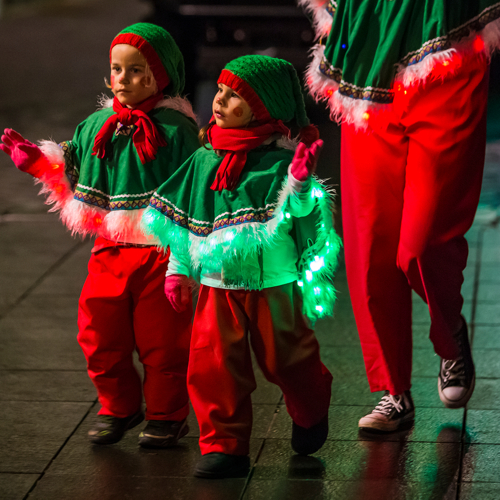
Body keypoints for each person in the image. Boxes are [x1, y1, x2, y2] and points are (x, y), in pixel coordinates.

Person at [300, 0, 500, 431]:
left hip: (449, 49)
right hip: (369, 61)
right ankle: (393, 391)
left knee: (423, 243)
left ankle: (450, 335)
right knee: (371, 243)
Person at [0, 23, 200, 447]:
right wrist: (39, 162)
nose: (122, 79)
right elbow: (73, 167)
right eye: (116, 69)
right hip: (110, 249)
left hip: (161, 253)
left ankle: (167, 416)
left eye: (134, 70)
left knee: (162, 343)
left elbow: (195, 185)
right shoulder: (97, 125)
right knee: (98, 335)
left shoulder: (175, 130)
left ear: (160, 76)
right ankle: (119, 407)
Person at [142, 54, 341, 478]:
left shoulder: (278, 162)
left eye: (235, 97)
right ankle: (224, 445)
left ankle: (310, 405)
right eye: (220, 91)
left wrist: (300, 181)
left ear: (264, 109)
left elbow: (298, 210)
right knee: (212, 364)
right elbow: (188, 222)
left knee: (286, 360)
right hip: (217, 282)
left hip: (272, 283)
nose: (219, 102)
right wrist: (178, 270)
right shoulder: (203, 160)